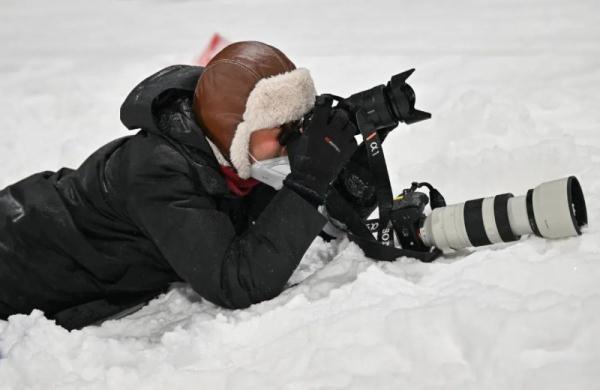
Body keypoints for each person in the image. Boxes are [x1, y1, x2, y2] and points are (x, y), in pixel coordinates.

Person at [0, 41, 376, 330]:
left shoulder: (235, 157)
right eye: (284, 130)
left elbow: (304, 223)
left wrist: (349, 151)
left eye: (302, 125)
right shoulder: (158, 171)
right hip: (17, 252)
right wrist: (309, 181)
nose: (295, 142)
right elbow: (237, 283)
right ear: (235, 131)